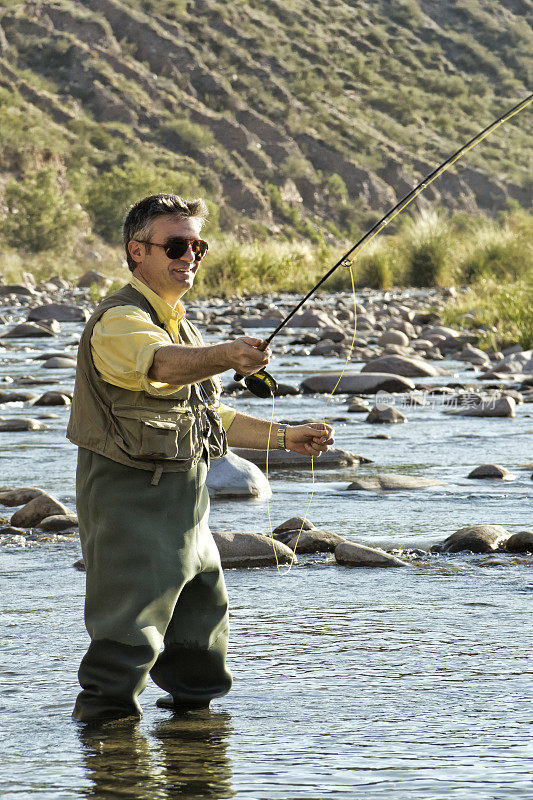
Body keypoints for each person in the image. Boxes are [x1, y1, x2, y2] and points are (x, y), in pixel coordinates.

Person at [67, 193, 334, 722]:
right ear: (136, 251)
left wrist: (287, 437)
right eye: (176, 245)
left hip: (188, 509)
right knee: (125, 646)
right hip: (129, 503)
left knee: (201, 648)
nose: (189, 256)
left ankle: (197, 751)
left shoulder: (179, 322)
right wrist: (227, 354)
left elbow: (210, 414)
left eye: (197, 246)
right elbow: (160, 366)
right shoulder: (118, 321)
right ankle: (107, 757)